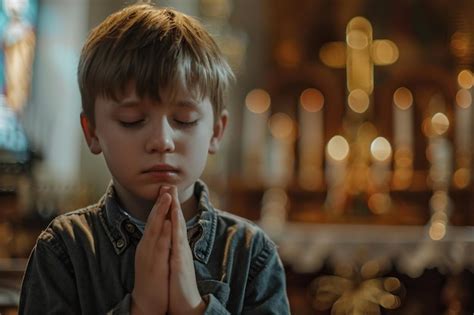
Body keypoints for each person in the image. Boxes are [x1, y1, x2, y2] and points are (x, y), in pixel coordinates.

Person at [19, 3, 290, 314]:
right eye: (132, 120)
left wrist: (193, 306)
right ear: (92, 131)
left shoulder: (250, 254)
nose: (162, 141)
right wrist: (141, 307)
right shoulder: (64, 249)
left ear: (216, 131)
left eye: (185, 120)